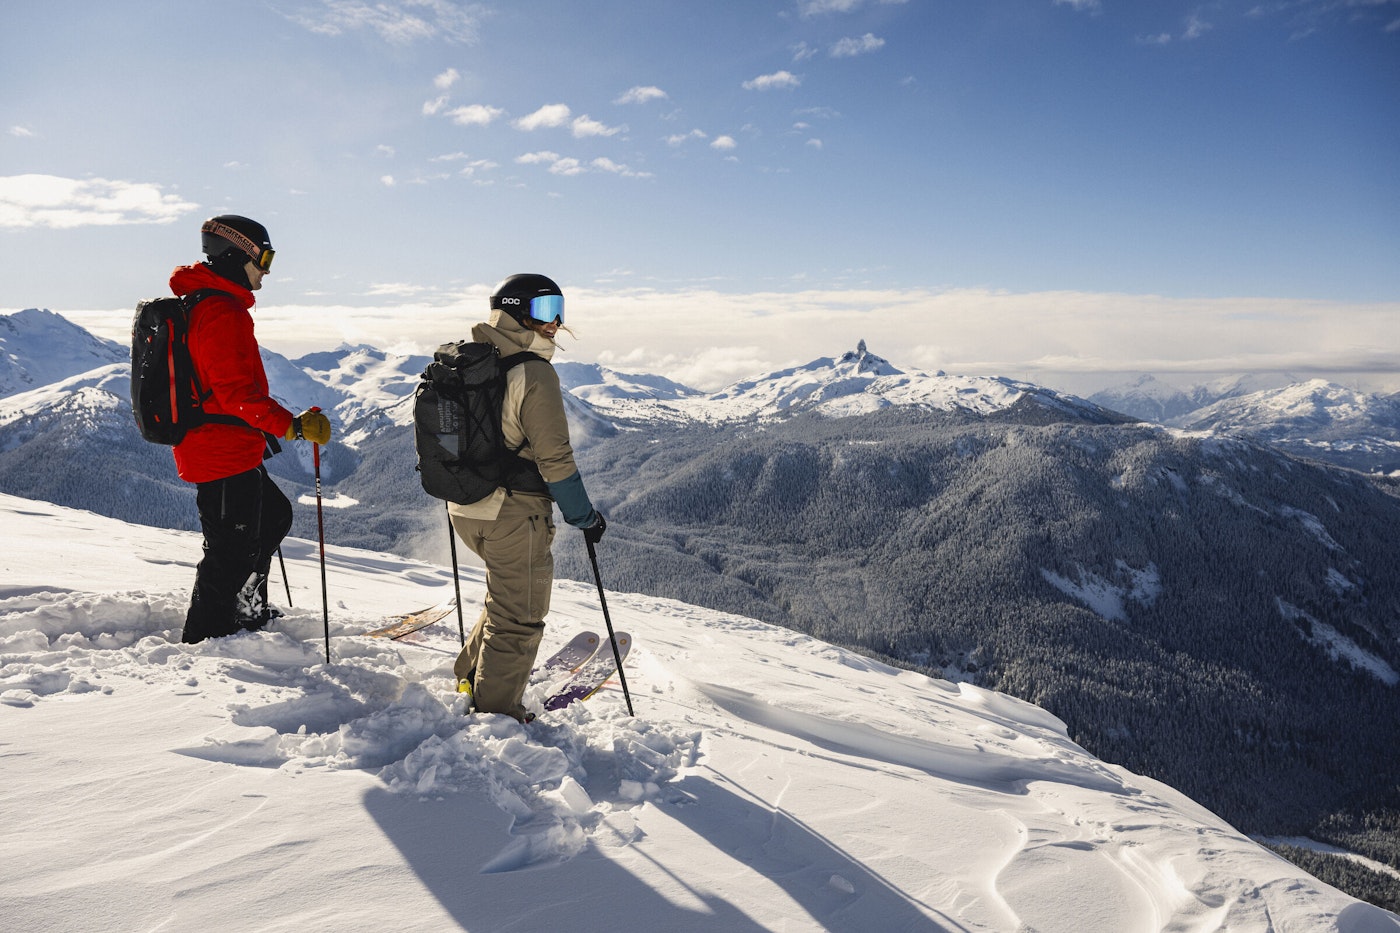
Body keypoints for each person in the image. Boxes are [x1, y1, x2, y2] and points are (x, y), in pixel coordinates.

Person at [450, 273, 606, 722]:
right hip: (513, 514)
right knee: (520, 614)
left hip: (465, 509)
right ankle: (496, 713)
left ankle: (471, 674)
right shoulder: (533, 372)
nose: (555, 322)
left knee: (504, 599)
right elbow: (555, 458)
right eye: (544, 310)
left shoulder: (469, 360)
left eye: (560, 309)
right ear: (515, 311)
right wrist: (584, 517)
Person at [172, 214, 331, 644]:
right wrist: (291, 426)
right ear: (236, 254)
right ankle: (205, 638)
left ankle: (244, 605)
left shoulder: (216, 305)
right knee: (228, 551)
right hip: (218, 449)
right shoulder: (220, 311)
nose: (265, 270)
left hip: (230, 446)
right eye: (263, 258)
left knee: (273, 516)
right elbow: (233, 394)